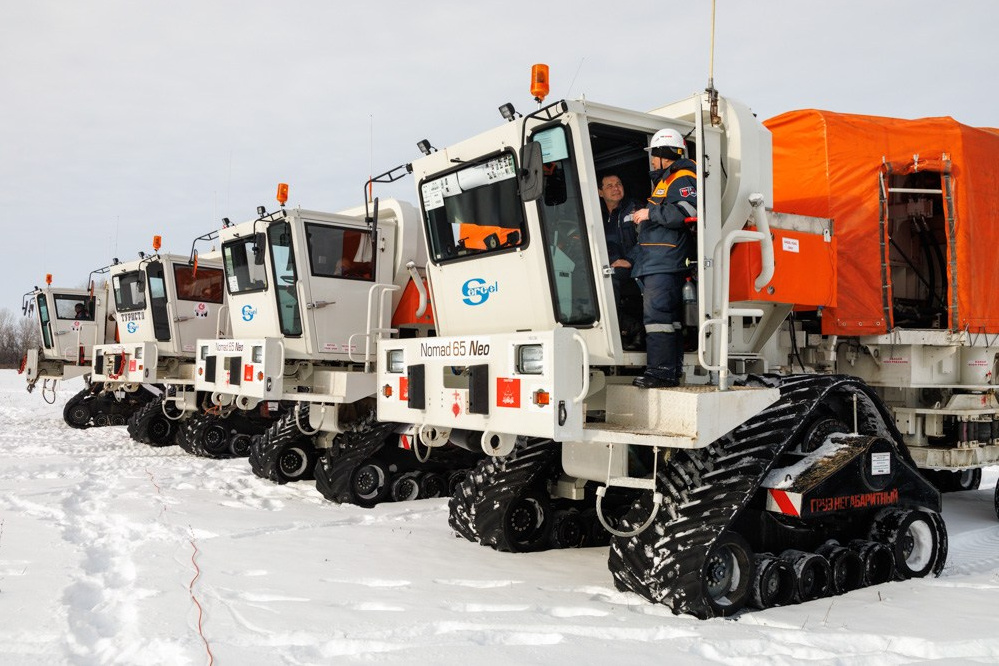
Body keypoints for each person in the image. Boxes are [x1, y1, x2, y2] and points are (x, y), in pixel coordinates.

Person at [629, 128, 697, 389]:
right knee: (668, 321)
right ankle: (670, 371)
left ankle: (660, 373)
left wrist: (650, 213)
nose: (651, 161)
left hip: (666, 259)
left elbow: (686, 211)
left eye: (654, 155)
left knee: (658, 319)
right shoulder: (668, 179)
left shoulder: (681, 177)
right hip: (658, 259)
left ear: (663, 154)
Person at [598, 173, 642, 348]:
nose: (616, 188)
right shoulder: (594, 212)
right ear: (600, 192)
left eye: (618, 184)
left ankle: (631, 329)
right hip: (604, 265)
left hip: (633, 266)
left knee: (610, 279)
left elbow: (647, 238)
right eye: (609, 186)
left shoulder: (634, 208)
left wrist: (630, 259)